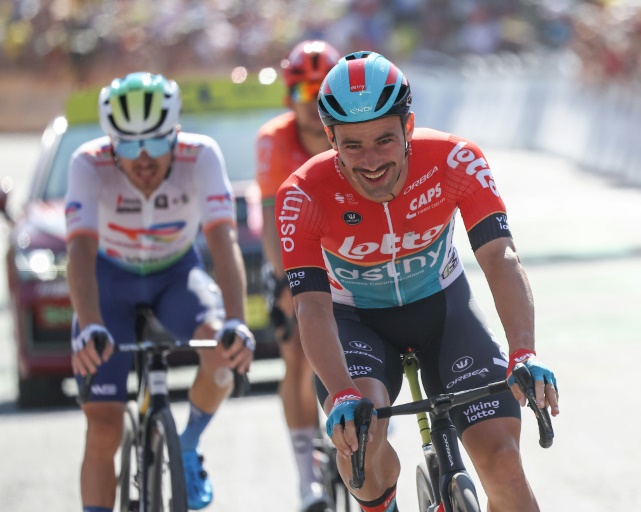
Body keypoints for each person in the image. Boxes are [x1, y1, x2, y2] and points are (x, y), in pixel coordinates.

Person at [275, 51, 560, 511]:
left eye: (384, 140)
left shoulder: (454, 159)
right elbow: (311, 305)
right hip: (356, 323)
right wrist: (343, 393)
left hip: (443, 309)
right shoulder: (302, 194)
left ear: (408, 127)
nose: (370, 162)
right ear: (329, 138)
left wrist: (524, 350)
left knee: (504, 464)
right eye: (352, 146)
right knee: (360, 442)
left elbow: (499, 256)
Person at [66, 71, 255, 512]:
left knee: (221, 353)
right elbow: (78, 250)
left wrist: (236, 320)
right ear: (110, 141)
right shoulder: (86, 162)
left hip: (176, 274)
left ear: (177, 133)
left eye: (156, 141)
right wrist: (89, 324)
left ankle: (187, 444)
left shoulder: (201, 155)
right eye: (128, 145)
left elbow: (223, 241)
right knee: (103, 429)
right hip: (108, 281)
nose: (144, 157)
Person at [255, 39, 341, 512]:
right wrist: (289, 282)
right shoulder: (273, 139)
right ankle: (305, 471)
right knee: (296, 355)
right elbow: (270, 223)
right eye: (300, 97)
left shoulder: (352, 131)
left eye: (319, 96)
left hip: (345, 255)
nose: (310, 109)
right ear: (289, 98)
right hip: (291, 256)